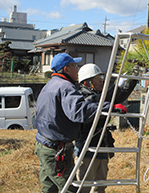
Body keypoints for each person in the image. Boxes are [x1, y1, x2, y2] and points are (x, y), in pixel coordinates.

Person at [34, 53, 111, 193]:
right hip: (56, 149)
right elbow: (79, 112)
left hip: (43, 145)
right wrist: (107, 106)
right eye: (75, 65)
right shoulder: (66, 87)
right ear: (66, 69)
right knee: (70, 189)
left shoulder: (49, 85)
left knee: (49, 188)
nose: (77, 68)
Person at [74, 63, 138, 193]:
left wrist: (133, 80)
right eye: (98, 79)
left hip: (102, 145)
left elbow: (115, 97)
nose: (102, 81)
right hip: (87, 148)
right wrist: (117, 87)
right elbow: (98, 101)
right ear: (87, 83)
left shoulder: (101, 95)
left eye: (101, 78)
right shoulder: (82, 96)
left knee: (100, 186)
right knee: (84, 187)